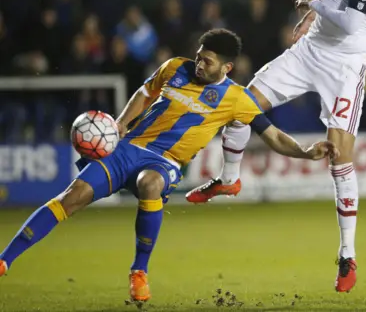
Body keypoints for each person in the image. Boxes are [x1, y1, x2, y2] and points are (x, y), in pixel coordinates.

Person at [0, 29, 339, 304]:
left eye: (206, 61)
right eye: (198, 55)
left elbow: (274, 136)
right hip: (127, 149)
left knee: (150, 184)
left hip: (166, 162)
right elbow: (144, 93)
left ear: (226, 68)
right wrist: (120, 124)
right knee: (71, 197)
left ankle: (139, 271)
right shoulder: (176, 67)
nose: (198, 64)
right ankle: (5, 260)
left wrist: (307, 152)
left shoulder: (237, 99)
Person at [186, 0, 366, 293]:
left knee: (340, 156)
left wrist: (315, 2)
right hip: (310, 49)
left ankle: (347, 255)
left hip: (344, 63)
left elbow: (350, 23)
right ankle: (229, 179)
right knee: (241, 103)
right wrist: (314, 12)